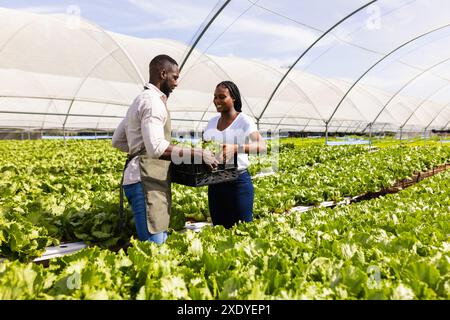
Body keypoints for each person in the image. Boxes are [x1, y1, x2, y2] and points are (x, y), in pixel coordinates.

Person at [112, 54, 218, 244]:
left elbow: (118, 140)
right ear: (163, 74)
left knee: (156, 237)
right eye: (175, 77)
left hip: (141, 178)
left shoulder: (139, 100)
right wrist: (198, 154)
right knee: (155, 244)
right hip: (146, 180)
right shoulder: (153, 103)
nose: (177, 83)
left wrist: (139, 149)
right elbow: (156, 148)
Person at [203, 81, 266, 229]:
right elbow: (205, 146)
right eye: (215, 97)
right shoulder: (212, 122)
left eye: (222, 97)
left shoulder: (243, 120)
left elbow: (262, 146)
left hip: (238, 183)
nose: (217, 101)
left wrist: (236, 148)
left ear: (234, 99)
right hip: (215, 183)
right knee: (219, 229)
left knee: (242, 230)